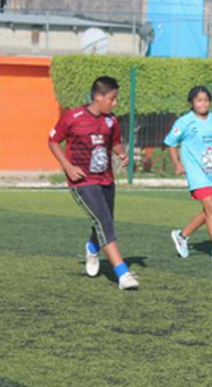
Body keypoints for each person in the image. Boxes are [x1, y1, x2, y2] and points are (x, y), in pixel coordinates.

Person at [48, 76, 139, 290]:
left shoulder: (111, 120)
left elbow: (114, 142)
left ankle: (92, 247)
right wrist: (68, 167)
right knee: (104, 223)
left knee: (104, 220)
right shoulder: (73, 117)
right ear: (98, 97)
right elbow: (52, 141)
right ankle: (123, 273)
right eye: (112, 99)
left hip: (106, 179)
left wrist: (122, 154)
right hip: (82, 181)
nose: (115, 103)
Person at [165, 86, 212, 262]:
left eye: (206, 100)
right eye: (199, 100)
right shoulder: (184, 122)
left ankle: (182, 236)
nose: (203, 104)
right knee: (210, 207)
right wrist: (177, 163)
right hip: (195, 172)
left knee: (209, 210)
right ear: (192, 102)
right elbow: (171, 143)